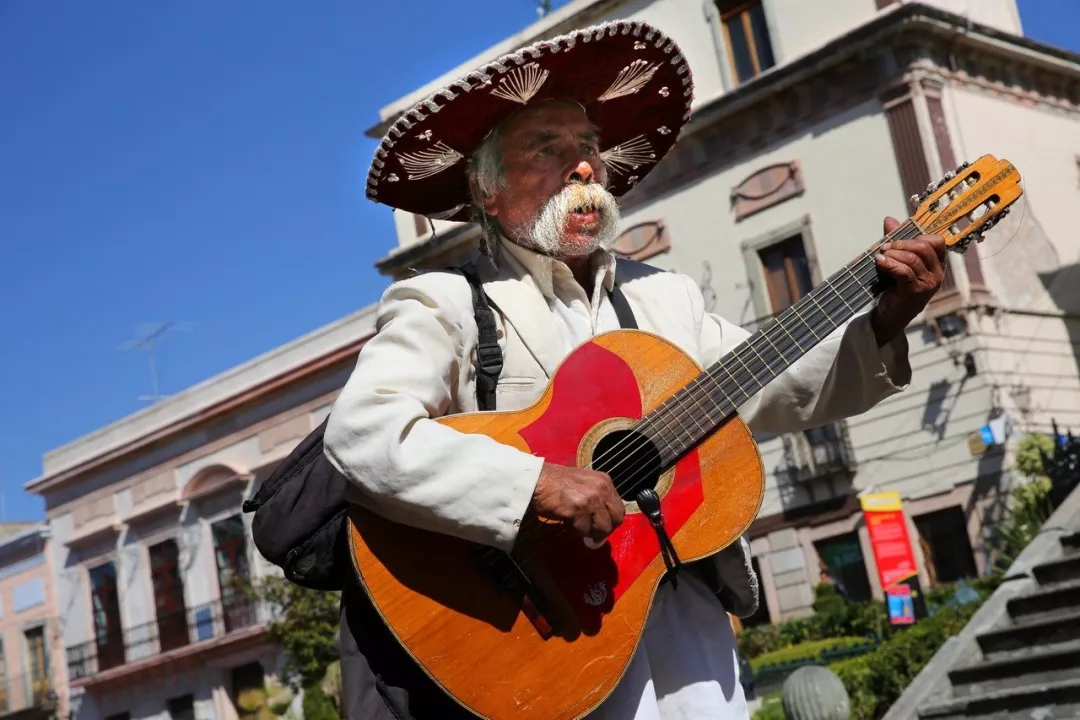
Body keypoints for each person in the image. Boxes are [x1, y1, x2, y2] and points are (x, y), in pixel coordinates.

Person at [323, 19, 947, 720]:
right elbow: (363, 435)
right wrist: (536, 483)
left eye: (588, 147)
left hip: (688, 631)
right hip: (540, 636)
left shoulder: (664, 296)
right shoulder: (448, 303)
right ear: (485, 191)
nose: (583, 165)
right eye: (547, 149)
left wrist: (885, 322)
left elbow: (776, 382)